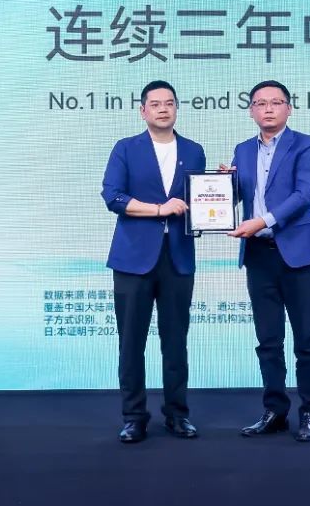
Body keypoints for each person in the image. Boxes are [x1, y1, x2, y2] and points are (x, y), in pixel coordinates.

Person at [101, 80, 207, 443]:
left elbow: (200, 202)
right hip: (133, 259)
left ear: (177, 108)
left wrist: (224, 190)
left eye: (170, 103)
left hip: (178, 257)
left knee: (176, 341)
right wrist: (159, 209)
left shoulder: (194, 151)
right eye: (156, 103)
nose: (163, 109)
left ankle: (178, 414)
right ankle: (134, 417)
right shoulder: (126, 148)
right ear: (142, 110)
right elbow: (113, 197)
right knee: (131, 342)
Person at [226, 80, 310, 442]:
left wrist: (263, 221)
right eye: (260, 103)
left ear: (288, 108)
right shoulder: (242, 150)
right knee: (268, 340)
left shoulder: (306, 144)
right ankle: (275, 411)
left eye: (276, 102)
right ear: (251, 110)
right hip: (258, 255)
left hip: (298, 254)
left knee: (306, 340)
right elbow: (236, 196)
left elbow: (305, 194)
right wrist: (222, 185)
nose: (268, 108)